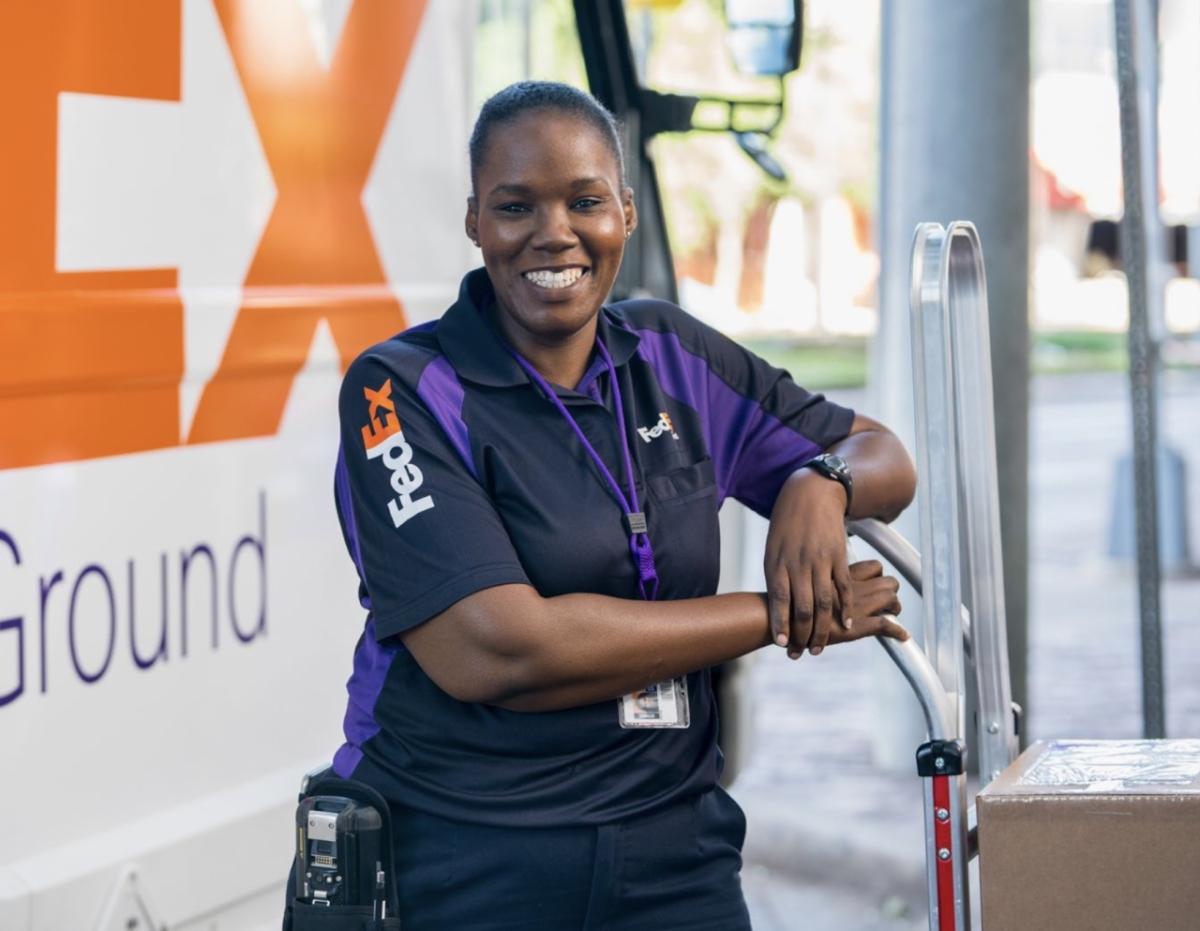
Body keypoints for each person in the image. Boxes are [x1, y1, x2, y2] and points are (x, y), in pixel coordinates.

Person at [310, 81, 917, 929]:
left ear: (626, 213)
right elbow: (498, 651)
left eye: (584, 200)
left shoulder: (669, 350)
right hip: (461, 855)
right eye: (515, 205)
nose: (554, 232)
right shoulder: (400, 389)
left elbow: (883, 453)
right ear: (475, 222)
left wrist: (820, 481)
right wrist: (777, 612)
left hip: (675, 854)